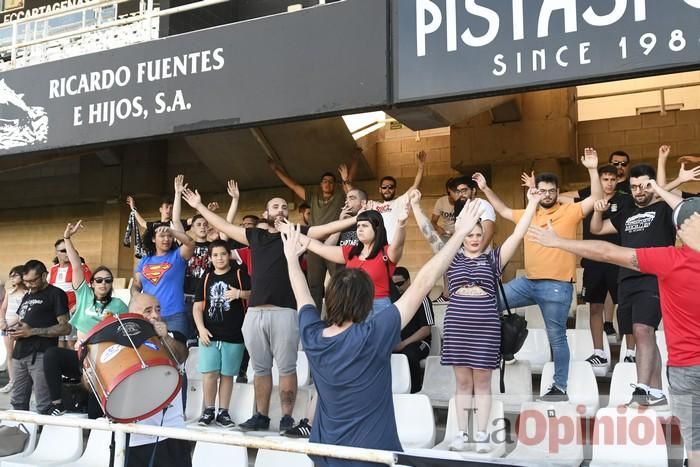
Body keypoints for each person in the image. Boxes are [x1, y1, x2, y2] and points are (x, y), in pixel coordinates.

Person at [281, 200, 484, 467]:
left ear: (330, 300)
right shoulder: (374, 334)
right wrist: (459, 234)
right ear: (367, 304)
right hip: (372, 457)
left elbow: (303, 296)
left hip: (325, 456)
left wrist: (291, 259)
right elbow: (423, 283)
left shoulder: (312, 336)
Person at [528, 198, 700, 467]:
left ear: (678, 231)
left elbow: (607, 252)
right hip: (684, 371)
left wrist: (558, 242)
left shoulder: (670, 259)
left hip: (686, 370)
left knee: (696, 446)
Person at [182, 186, 357, 434]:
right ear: (266, 212)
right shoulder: (256, 235)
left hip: (285, 311)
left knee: (287, 368)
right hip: (254, 314)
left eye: (285, 206)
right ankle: (261, 416)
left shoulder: (295, 233)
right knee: (260, 369)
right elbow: (225, 226)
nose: (281, 210)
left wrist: (357, 218)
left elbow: (323, 229)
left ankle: (286, 418)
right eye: (276, 206)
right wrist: (199, 206)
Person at [412, 187, 540, 451]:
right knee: (462, 383)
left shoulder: (493, 259)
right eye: (469, 234)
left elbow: (518, 233)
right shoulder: (451, 258)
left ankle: (481, 434)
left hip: (486, 327)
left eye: (478, 235)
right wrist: (415, 207)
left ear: (485, 236)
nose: (473, 238)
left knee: (482, 383)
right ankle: (460, 434)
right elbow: (429, 233)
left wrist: (532, 203)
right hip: (458, 328)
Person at [475, 148, 602, 401]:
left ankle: (560, 387)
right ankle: (507, 348)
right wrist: (486, 188)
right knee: (487, 304)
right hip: (527, 283)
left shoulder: (570, 211)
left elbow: (595, 197)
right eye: (542, 190)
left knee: (556, 337)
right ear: (537, 192)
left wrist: (591, 169)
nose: (547, 194)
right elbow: (502, 211)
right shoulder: (529, 213)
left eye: (551, 191)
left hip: (557, 286)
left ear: (557, 192)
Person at [589, 165, 679, 408]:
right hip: (626, 279)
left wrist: (660, 187)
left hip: (654, 277)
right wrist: (598, 211)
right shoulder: (627, 211)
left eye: (644, 185)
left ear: (652, 186)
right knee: (641, 336)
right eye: (634, 187)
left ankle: (642, 388)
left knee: (642, 329)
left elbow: (680, 203)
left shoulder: (664, 209)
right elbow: (596, 229)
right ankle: (657, 391)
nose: (639, 191)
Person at [42, 220, 129, 417]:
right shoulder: (84, 295)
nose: (103, 283)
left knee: (94, 413)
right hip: (82, 356)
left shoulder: (119, 305)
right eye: (99, 280)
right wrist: (67, 238)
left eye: (108, 280)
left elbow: (126, 333)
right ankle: (56, 403)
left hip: (104, 361)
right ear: (91, 283)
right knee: (51, 355)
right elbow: (75, 264)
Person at [278, 198, 409, 317]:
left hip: (379, 308)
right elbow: (320, 248)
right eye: (358, 226)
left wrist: (401, 223)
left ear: (377, 228)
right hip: (351, 308)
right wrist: (290, 231)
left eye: (365, 226)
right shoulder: (351, 252)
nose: (360, 229)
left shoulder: (386, 252)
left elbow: (399, 243)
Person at [268, 161, 348, 309]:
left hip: (334, 243)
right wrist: (276, 170)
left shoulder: (340, 195)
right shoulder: (312, 196)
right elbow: (293, 186)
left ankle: (341, 318)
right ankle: (314, 320)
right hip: (313, 244)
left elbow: (351, 193)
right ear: (320, 184)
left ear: (335, 185)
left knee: (340, 283)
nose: (327, 184)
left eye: (331, 181)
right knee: (314, 286)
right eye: (325, 181)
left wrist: (346, 177)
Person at [125, 293, 191, 467]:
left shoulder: (173, 336)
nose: (155, 315)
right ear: (132, 314)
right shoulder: (120, 345)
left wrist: (165, 337)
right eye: (148, 311)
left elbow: (181, 356)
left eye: (157, 309)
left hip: (171, 434)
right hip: (134, 435)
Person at [193, 239, 250, 428]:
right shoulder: (206, 278)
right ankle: (208, 409)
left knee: (227, 375)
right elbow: (197, 307)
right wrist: (201, 329)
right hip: (210, 333)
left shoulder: (240, 274)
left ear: (229, 255)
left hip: (234, 334)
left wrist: (239, 294)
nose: (219, 258)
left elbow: (254, 293)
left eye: (223, 254)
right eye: (215, 255)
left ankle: (223, 412)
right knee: (210, 374)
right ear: (210, 258)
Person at [576, 164, 629, 364]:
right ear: (599, 180)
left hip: (618, 259)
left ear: (617, 180)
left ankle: (629, 352)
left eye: (612, 179)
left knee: (624, 307)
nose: (609, 183)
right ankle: (599, 353)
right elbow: (561, 199)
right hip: (593, 261)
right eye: (605, 179)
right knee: (595, 307)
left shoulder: (625, 200)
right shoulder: (589, 199)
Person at [131, 182, 195, 338]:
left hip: (175, 316)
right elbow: (136, 284)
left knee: (178, 355)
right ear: (153, 239)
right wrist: (135, 296)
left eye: (169, 236)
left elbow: (190, 243)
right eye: (161, 235)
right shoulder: (145, 260)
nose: (166, 239)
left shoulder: (178, 255)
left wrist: (172, 230)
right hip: (149, 317)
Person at [9, 260, 70, 414]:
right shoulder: (28, 295)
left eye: (33, 281)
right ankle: (20, 436)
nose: (29, 285)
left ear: (44, 276)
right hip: (19, 353)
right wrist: (14, 329)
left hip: (42, 354)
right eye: (26, 281)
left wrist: (32, 331)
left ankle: (45, 436)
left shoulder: (56, 294)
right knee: (17, 401)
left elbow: (65, 328)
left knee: (44, 404)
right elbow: (22, 321)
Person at [366, 151, 426, 243]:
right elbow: (354, 197)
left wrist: (421, 167)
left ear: (395, 189)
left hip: (392, 248)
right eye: (384, 187)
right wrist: (346, 181)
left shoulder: (400, 202)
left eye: (391, 187)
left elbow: (415, 185)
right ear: (380, 189)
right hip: (376, 248)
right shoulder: (373, 205)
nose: (387, 190)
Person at [391, 267, 434, 394]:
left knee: (409, 354)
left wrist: (403, 344)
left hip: (420, 343)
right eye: (394, 285)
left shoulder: (421, 298)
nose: (397, 287)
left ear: (409, 281)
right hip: (399, 343)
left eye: (400, 283)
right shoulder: (393, 301)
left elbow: (426, 329)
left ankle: (415, 391)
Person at [49, 237, 92, 348]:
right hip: (56, 312)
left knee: (71, 344)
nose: (67, 253)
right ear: (56, 252)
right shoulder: (53, 269)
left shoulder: (81, 267)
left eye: (68, 249)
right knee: (58, 343)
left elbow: (89, 289)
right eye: (63, 251)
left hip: (74, 311)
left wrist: (77, 306)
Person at [0, 265, 27, 394]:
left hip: (18, 327)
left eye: (15, 275)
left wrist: (10, 324)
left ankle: (22, 382)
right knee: (10, 354)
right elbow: (3, 308)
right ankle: (12, 381)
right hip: (6, 327)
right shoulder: (9, 292)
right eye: (10, 276)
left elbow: (22, 313)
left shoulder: (26, 294)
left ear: (23, 276)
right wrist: (2, 321)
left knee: (18, 355)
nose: (12, 278)